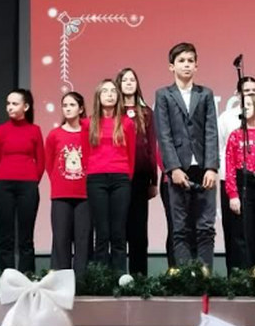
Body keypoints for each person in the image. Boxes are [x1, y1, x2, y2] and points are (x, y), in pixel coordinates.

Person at [154, 42, 220, 268]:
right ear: (171, 66)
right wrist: (173, 168)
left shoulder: (205, 94)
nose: (186, 65)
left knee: (205, 227)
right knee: (180, 228)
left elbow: (211, 131)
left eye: (190, 61)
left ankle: (205, 276)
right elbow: (164, 135)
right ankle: (185, 278)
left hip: (203, 169)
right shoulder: (164, 95)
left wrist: (211, 167)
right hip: (178, 171)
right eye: (181, 61)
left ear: (196, 66)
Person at [217, 76, 255, 271]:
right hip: (240, 182)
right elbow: (227, 160)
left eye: (254, 93)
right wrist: (232, 193)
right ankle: (241, 276)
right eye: (246, 94)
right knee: (241, 233)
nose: (249, 99)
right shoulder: (234, 130)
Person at [85, 80, 136, 271]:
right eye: (105, 91)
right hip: (96, 180)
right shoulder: (88, 123)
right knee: (102, 232)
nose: (109, 94)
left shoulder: (127, 123)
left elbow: (131, 154)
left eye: (113, 91)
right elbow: (84, 152)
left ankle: (120, 276)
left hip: (120, 179)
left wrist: (126, 177)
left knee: (118, 232)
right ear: (98, 96)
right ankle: (101, 278)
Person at [0, 88, 45, 272]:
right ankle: (5, 277)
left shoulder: (34, 130)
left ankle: (27, 277)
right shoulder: (0, 131)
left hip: (27, 186)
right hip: (4, 186)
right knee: (6, 237)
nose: (10, 107)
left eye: (15, 104)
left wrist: (31, 180)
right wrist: (2, 177)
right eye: (8, 103)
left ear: (26, 107)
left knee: (26, 237)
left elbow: (41, 161)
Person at [115, 68, 158, 276]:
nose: (129, 83)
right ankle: (118, 277)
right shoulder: (113, 112)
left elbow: (151, 147)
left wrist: (154, 180)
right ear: (119, 84)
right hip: (118, 176)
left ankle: (139, 277)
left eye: (132, 79)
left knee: (139, 230)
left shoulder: (146, 112)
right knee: (119, 228)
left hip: (140, 177)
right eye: (125, 80)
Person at [45, 92, 91, 273]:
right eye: (65, 105)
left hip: (85, 195)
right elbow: (49, 164)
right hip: (61, 195)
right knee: (61, 239)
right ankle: (60, 280)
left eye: (72, 105)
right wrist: (60, 181)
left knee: (83, 240)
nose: (68, 109)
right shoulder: (54, 135)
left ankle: (81, 281)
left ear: (80, 109)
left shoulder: (89, 134)